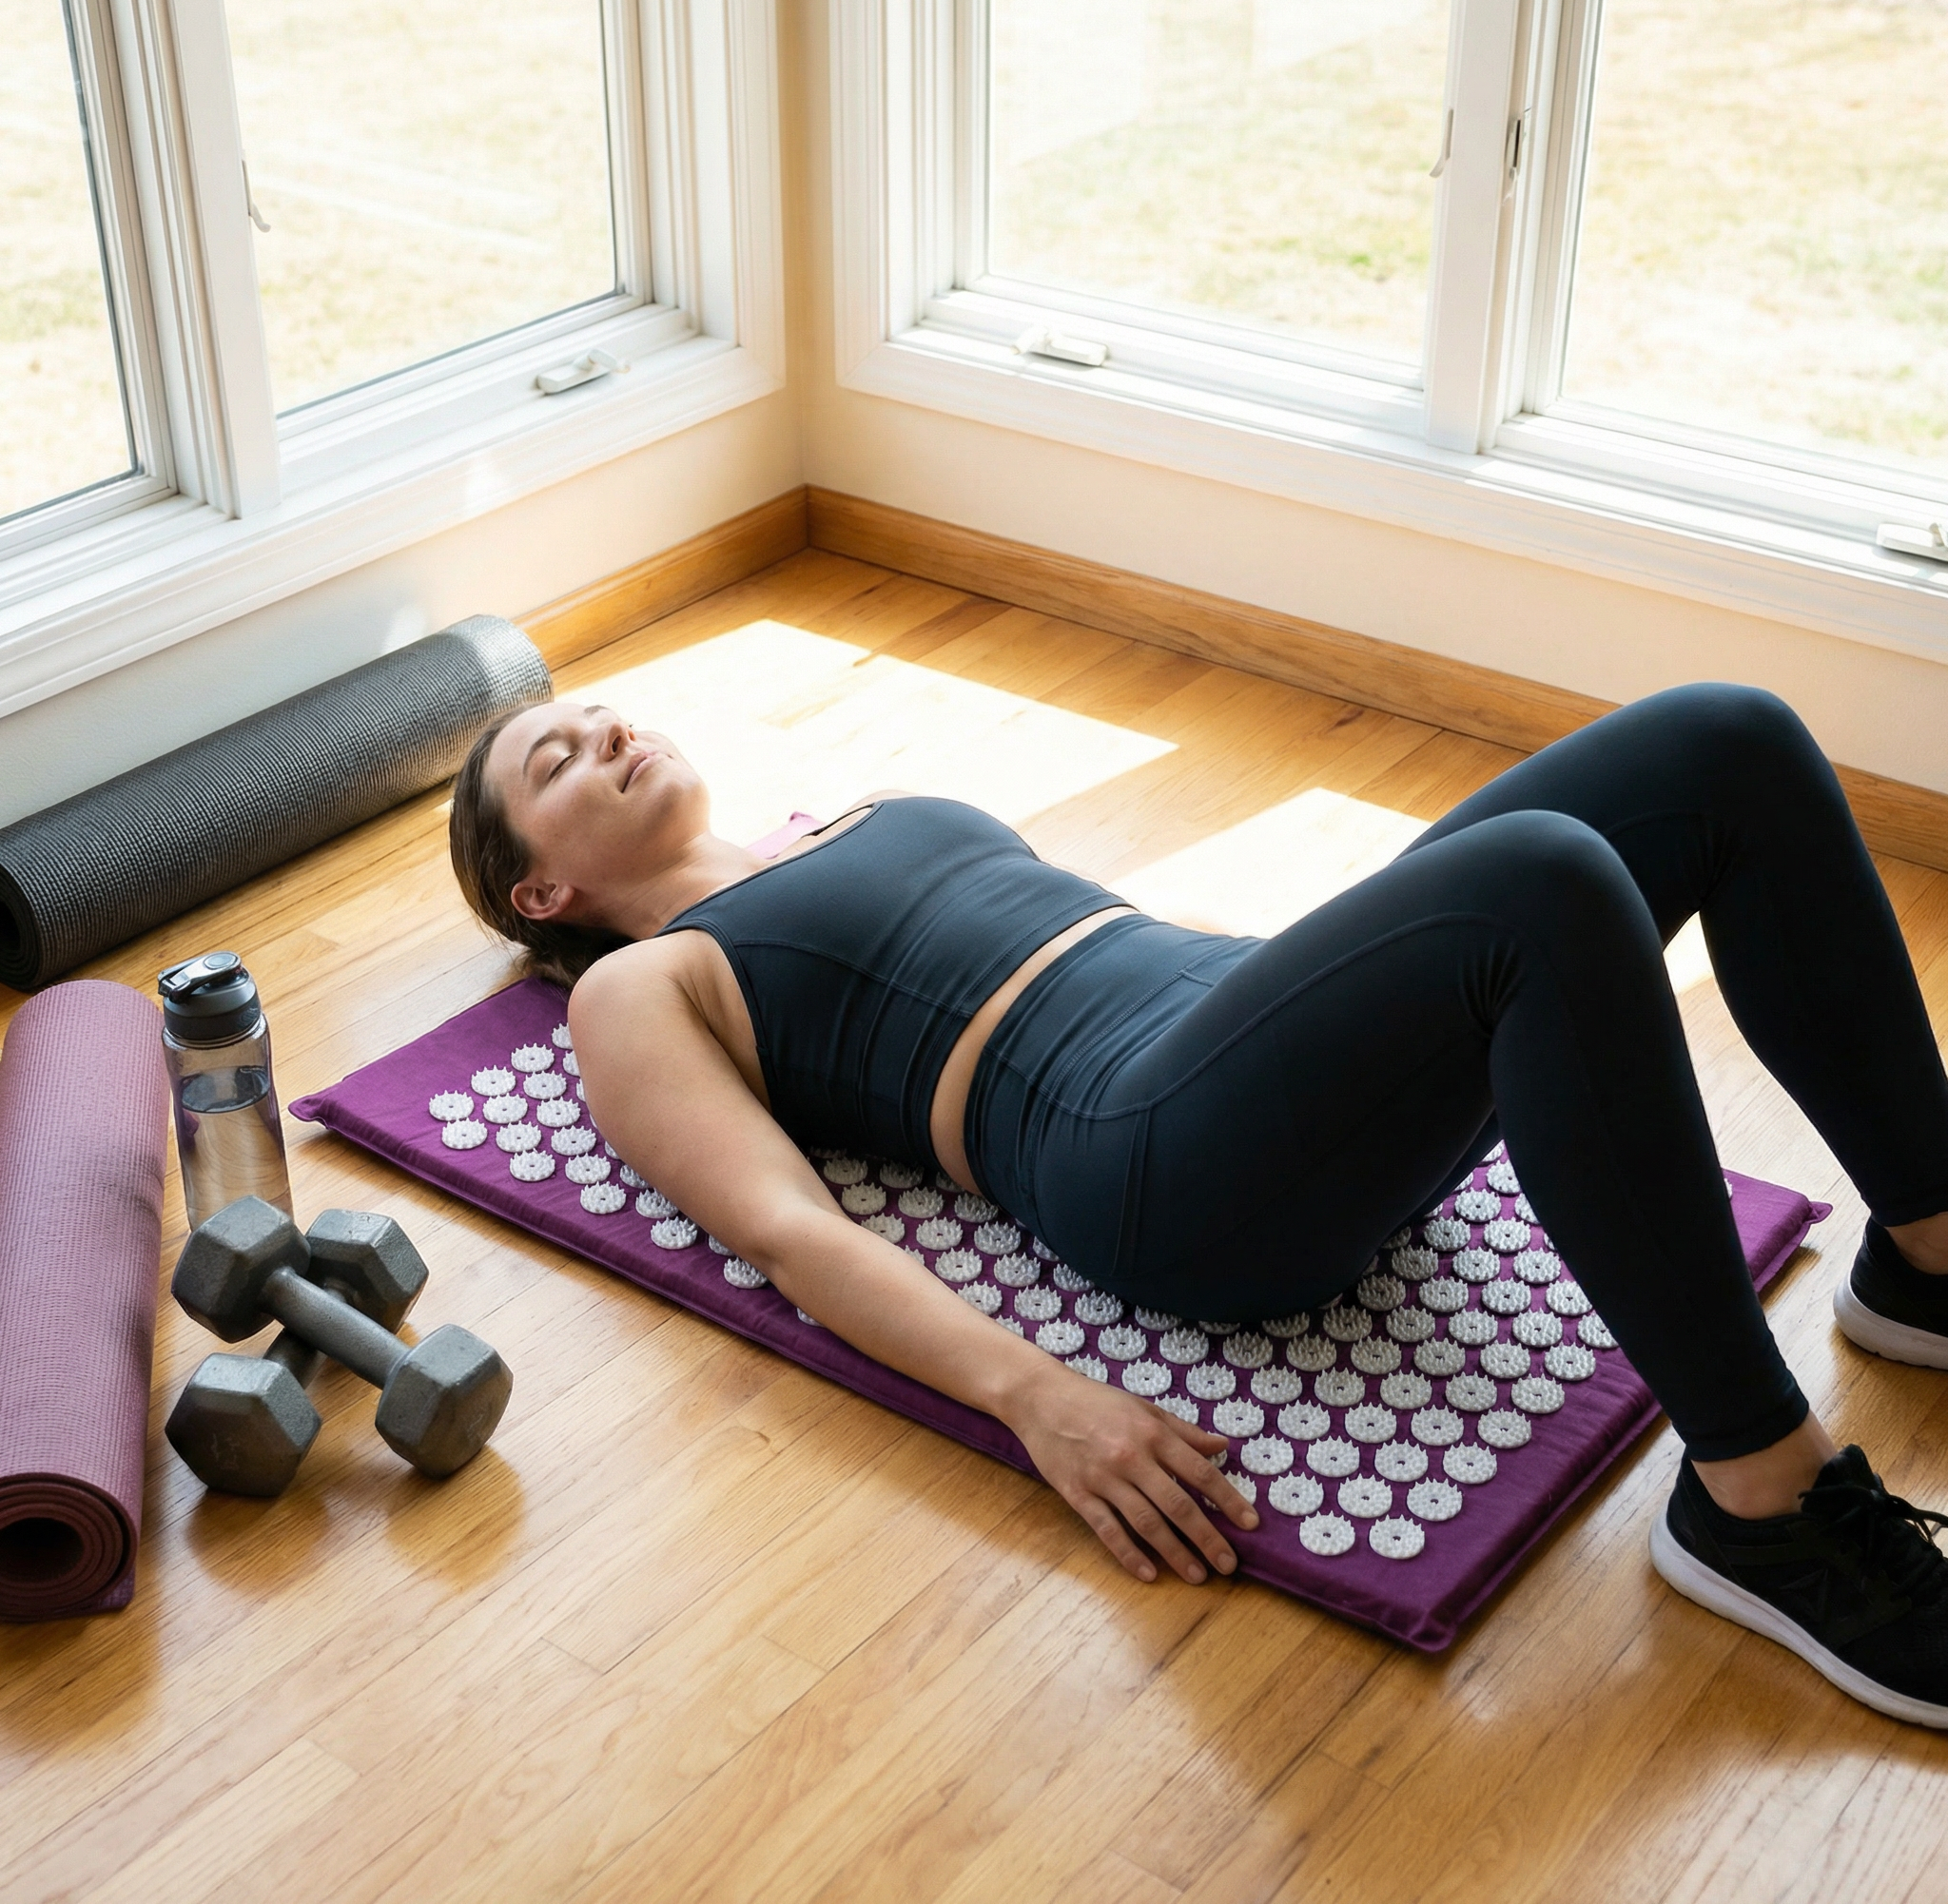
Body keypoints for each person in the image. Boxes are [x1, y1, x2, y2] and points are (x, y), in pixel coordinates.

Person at [451, 681, 1948, 1725]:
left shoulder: (853, 809)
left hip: (1230, 1026)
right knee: (1542, 877)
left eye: (607, 717)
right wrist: (1040, 1399)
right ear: (539, 894)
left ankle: (1932, 1253)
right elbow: (786, 1231)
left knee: (1726, 742)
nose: (608, 735)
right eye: (558, 762)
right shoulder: (639, 988)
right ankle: (1762, 1497)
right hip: (1146, 1153)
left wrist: (1363, 995)